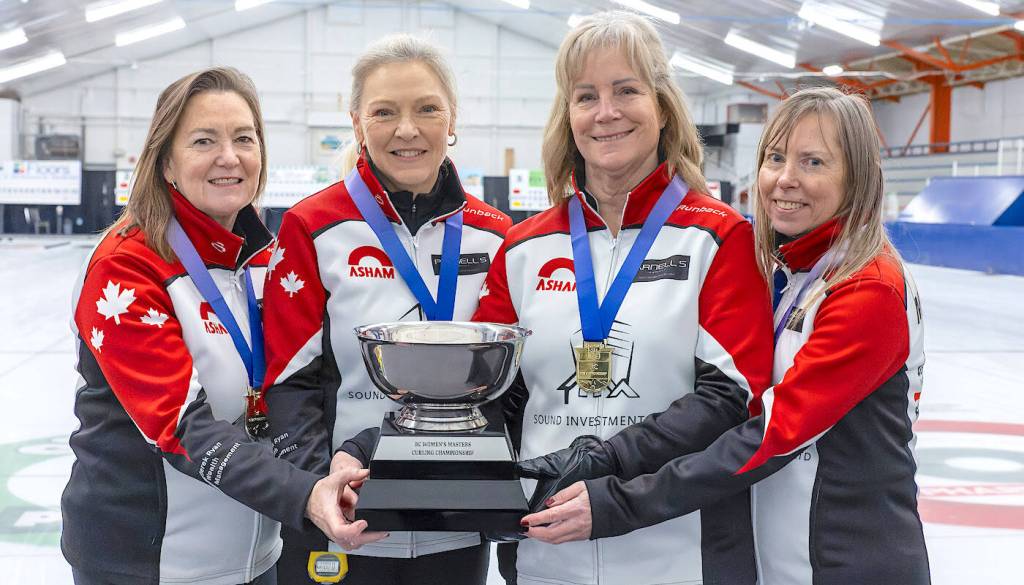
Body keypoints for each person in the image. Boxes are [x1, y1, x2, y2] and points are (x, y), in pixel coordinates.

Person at [518, 86, 930, 585]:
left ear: (858, 177)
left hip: (848, 563)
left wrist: (615, 502)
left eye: (814, 162)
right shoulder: (794, 273)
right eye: (775, 157)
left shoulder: (869, 288)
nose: (784, 179)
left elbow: (771, 437)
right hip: (790, 559)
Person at [471, 11, 774, 585]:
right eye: (586, 96)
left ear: (661, 108)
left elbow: (730, 398)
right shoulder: (523, 247)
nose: (606, 112)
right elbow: (491, 392)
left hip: (681, 548)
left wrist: (604, 469)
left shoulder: (721, 237)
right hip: (546, 549)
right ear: (569, 118)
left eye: (626, 90)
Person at [62, 67, 381, 585]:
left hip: (257, 561)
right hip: (144, 564)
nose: (228, 157)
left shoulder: (266, 263)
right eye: (203, 141)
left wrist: (345, 462)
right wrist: (305, 495)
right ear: (165, 159)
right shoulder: (124, 267)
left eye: (243, 139)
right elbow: (180, 426)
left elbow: (300, 382)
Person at [262, 35, 512, 585]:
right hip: (340, 518)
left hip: (457, 515)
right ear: (357, 123)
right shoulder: (313, 226)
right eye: (384, 112)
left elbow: (509, 383)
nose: (407, 129)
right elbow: (286, 379)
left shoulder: (497, 235)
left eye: (427, 108)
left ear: (452, 120)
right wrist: (317, 491)